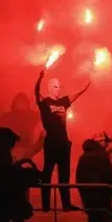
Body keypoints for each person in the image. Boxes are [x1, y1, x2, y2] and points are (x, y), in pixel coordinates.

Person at [34, 68, 90, 212]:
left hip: (64, 143)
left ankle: (66, 204)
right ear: (49, 88)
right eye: (55, 86)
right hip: (51, 142)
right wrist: (40, 79)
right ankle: (45, 205)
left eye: (59, 86)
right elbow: (36, 93)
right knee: (47, 173)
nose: (58, 89)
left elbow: (76, 95)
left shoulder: (64, 102)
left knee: (64, 175)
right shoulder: (45, 102)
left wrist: (86, 85)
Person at [76, 137, 112, 222]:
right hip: (101, 195)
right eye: (106, 142)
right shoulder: (102, 155)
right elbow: (107, 176)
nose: (107, 145)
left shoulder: (83, 157)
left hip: (89, 196)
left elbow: (79, 178)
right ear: (99, 142)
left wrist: (84, 195)